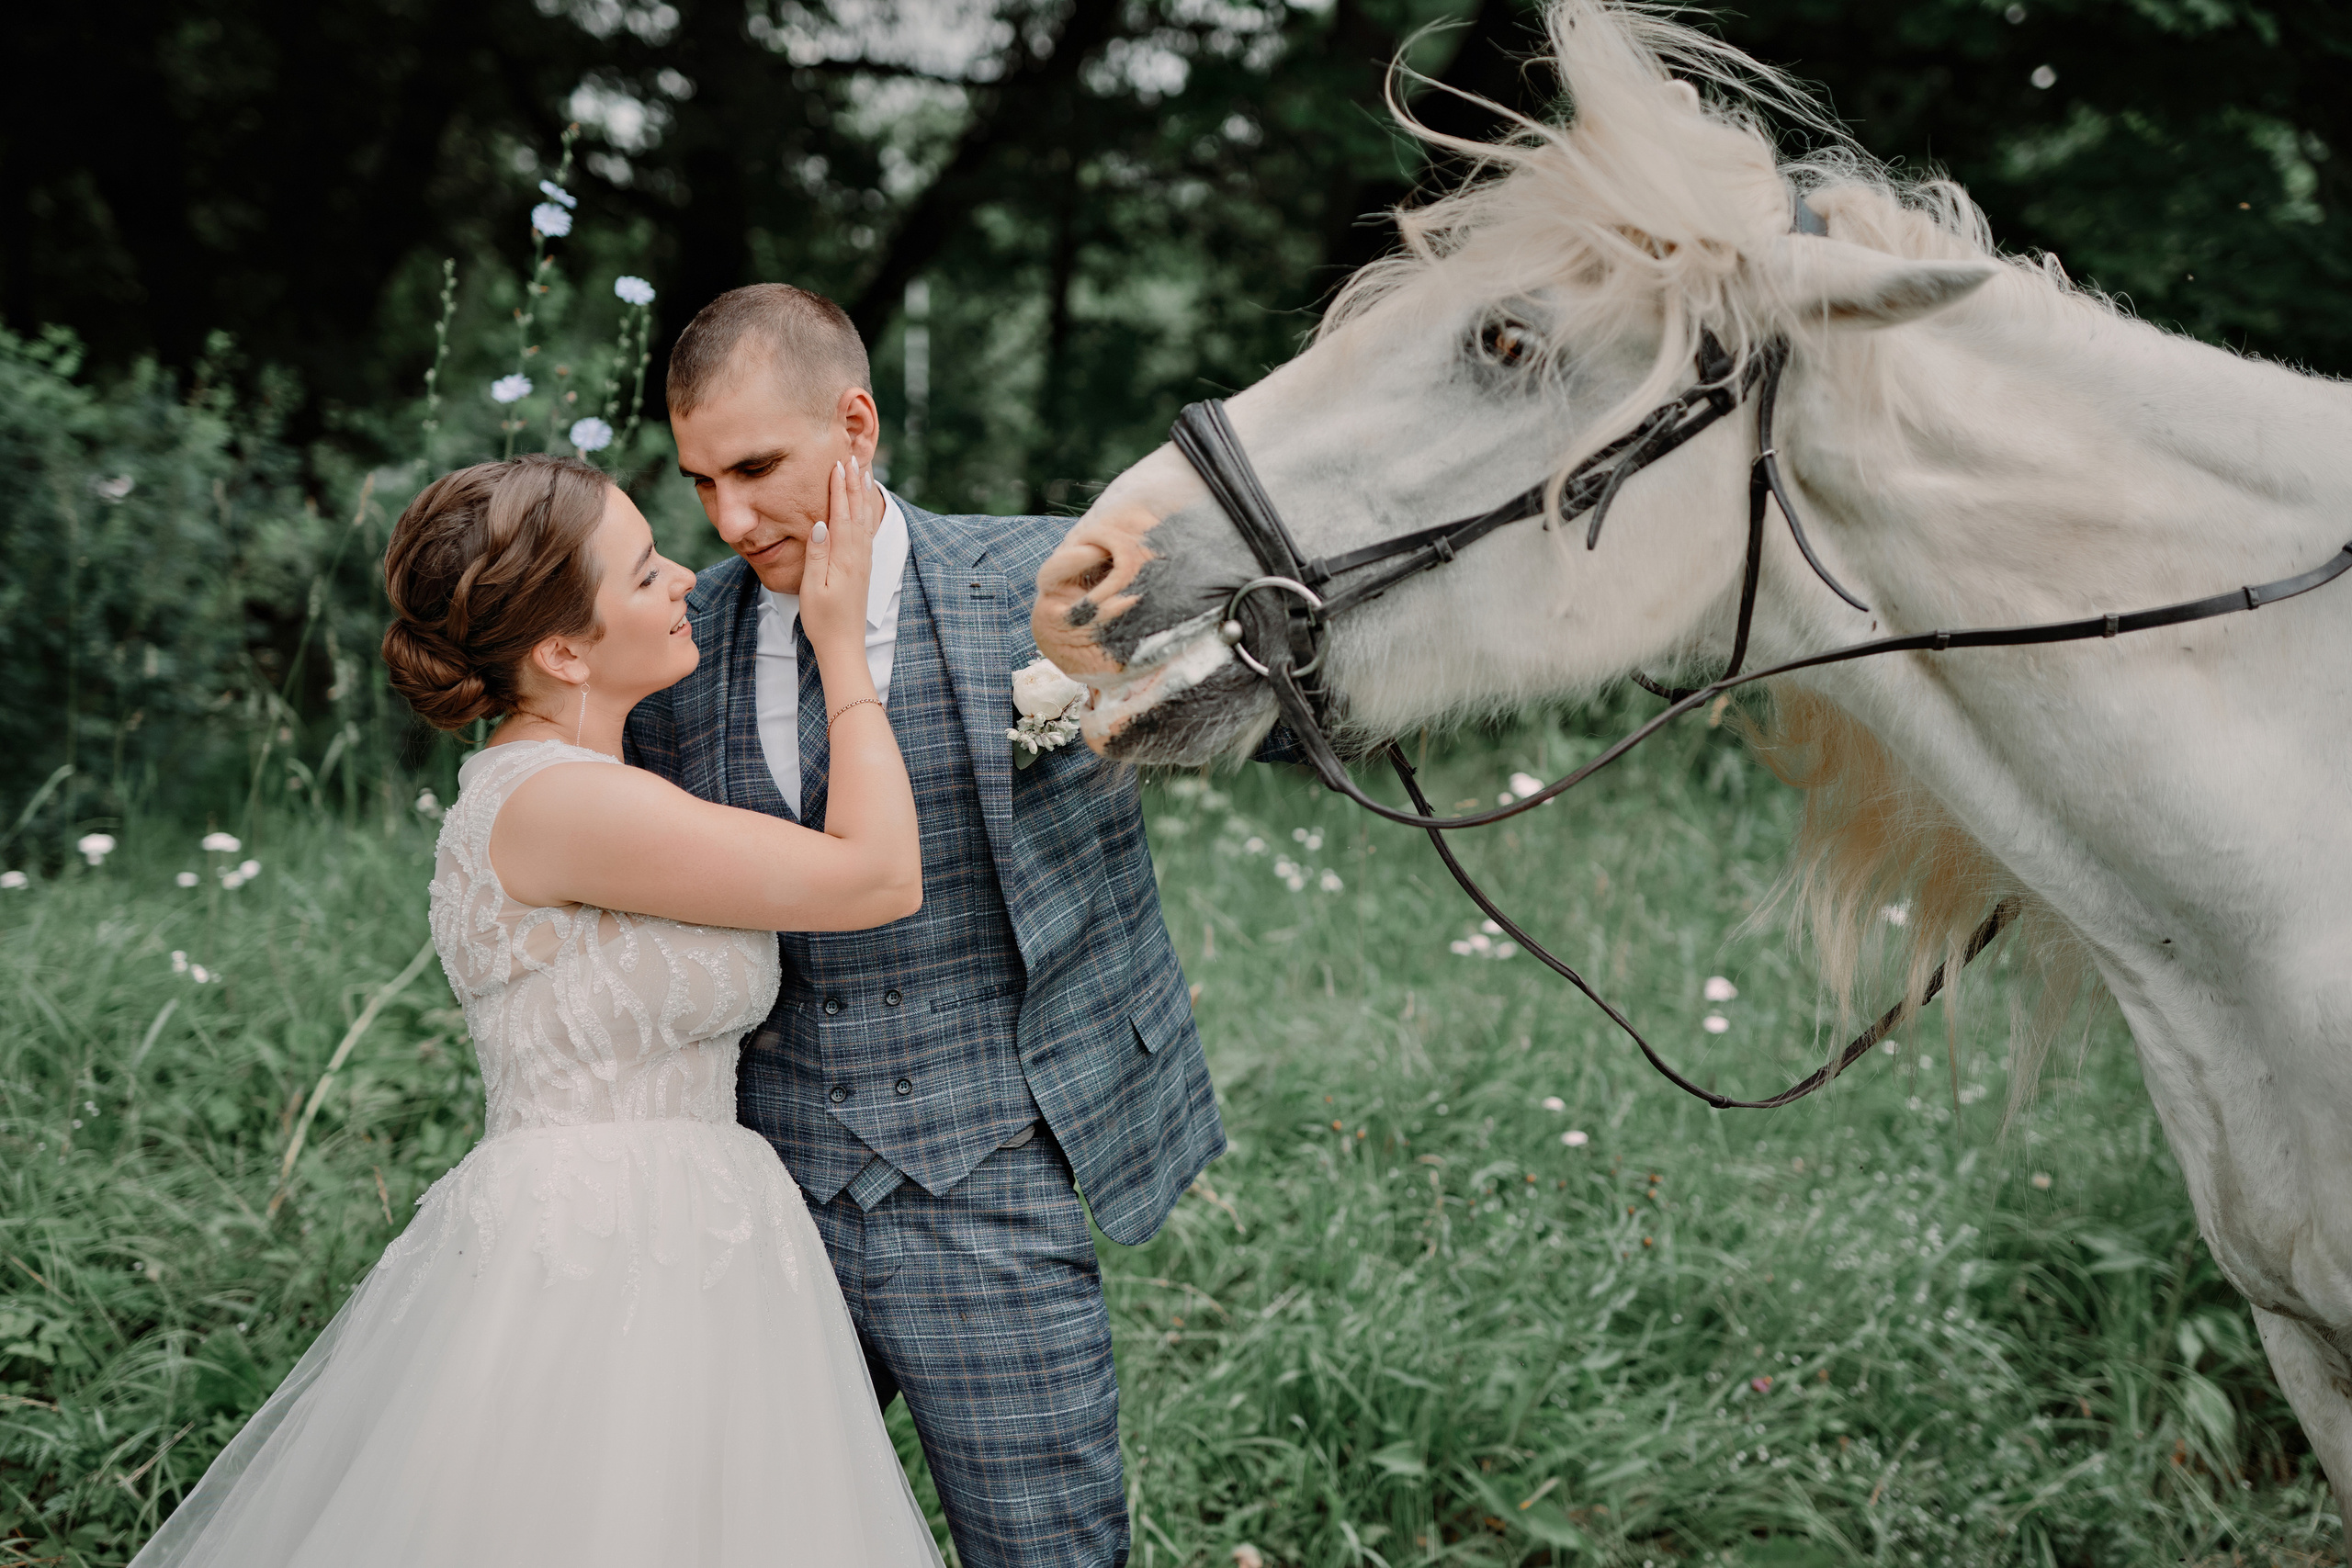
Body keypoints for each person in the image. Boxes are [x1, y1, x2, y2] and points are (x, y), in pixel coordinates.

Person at [129, 452, 944, 1567]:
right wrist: (840, 649)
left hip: (695, 1228)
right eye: (648, 571)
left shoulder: (575, 790)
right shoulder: (563, 806)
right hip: (605, 1250)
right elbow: (877, 879)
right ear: (563, 651)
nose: (685, 582)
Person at [623, 284, 1254, 1568]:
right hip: (761, 1194)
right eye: (700, 481)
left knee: (1050, 1550)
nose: (731, 519)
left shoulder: (1053, 577)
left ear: (856, 425)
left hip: (996, 1173)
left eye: (757, 467)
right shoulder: (675, 645)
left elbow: (1298, 694)